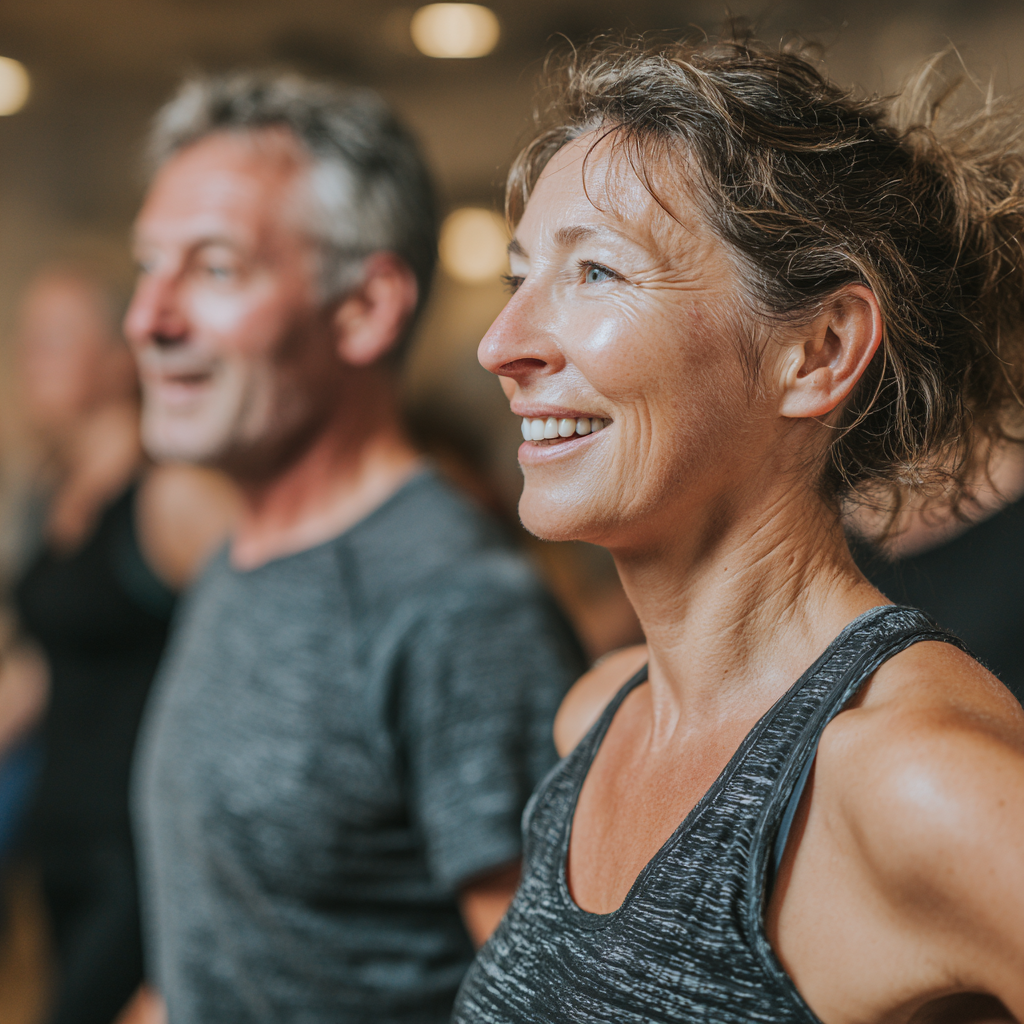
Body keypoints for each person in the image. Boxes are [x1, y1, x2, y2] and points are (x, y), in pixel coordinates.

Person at [452, 36, 1024, 1024]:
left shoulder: (909, 779)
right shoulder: (596, 720)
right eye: (518, 278)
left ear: (817, 349)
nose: (500, 344)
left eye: (594, 272)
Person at [123, 72, 586, 1024]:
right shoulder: (241, 561)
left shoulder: (456, 604)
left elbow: (548, 1001)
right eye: (147, 268)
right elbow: (222, 954)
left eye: (213, 270)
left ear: (366, 308)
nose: (149, 319)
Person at [3, 268, 237, 1024]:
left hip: (139, 846)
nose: (33, 355)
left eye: (60, 337)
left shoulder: (169, 495)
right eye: (28, 336)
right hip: (60, 831)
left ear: (117, 356)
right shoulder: (54, 491)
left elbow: (272, 633)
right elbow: (52, 664)